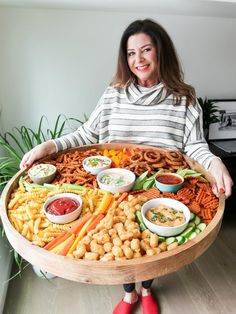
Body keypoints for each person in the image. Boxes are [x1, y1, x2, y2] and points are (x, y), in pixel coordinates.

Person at [20, 19, 233, 314]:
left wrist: (216, 161)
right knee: (123, 246)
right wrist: (49, 146)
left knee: (149, 243)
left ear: (161, 52)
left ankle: (147, 289)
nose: (138, 60)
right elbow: (87, 134)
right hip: (111, 186)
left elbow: (194, 146)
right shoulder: (114, 94)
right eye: (131, 53)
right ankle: (130, 293)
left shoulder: (184, 98)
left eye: (146, 50)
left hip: (157, 188)